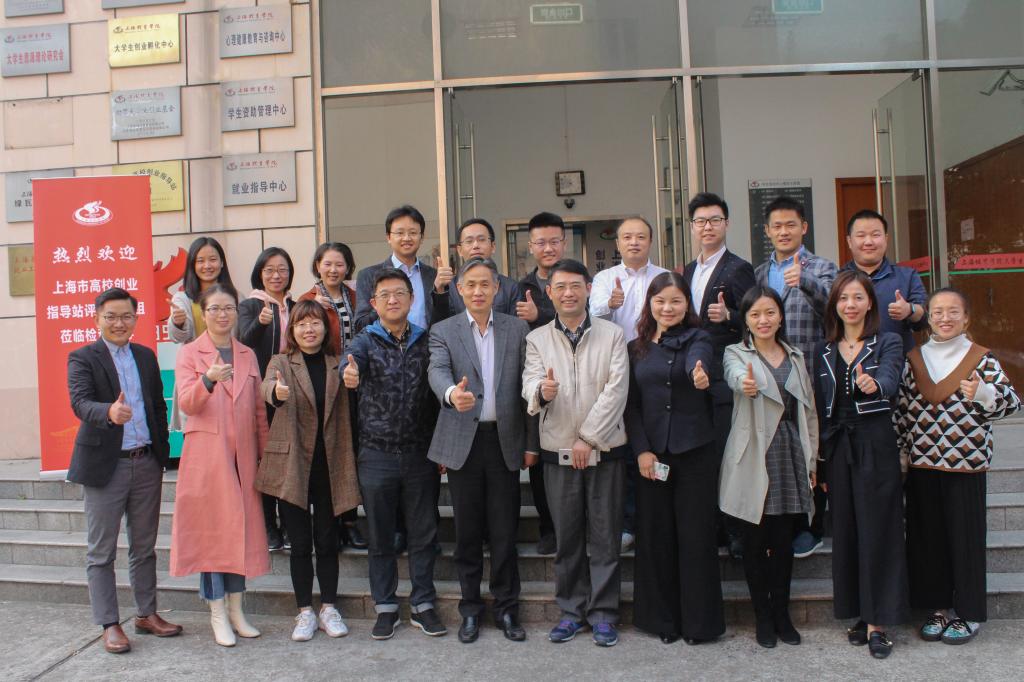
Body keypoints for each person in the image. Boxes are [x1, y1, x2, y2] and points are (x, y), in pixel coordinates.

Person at [896, 288, 1021, 645]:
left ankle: (969, 613)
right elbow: (902, 411)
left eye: (953, 311)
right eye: (937, 312)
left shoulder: (980, 358)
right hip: (922, 464)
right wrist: (900, 453)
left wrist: (983, 394)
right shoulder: (915, 359)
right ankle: (937, 608)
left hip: (966, 465)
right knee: (928, 540)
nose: (945, 318)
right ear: (929, 318)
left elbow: (1011, 402)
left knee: (965, 540)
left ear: (966, 319)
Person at [67, 288, 182, 654]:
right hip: (106, 466)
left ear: (135, 319)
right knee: (101, 551)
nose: (119, 323)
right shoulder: (83, 357)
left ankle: (147, 614)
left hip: (145, 462)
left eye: (126, 316)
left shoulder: (145, 356)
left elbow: (157, 406)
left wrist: (161, 453)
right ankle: (109, 623)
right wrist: (108, 412)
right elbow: (80, 402)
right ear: (97, 319)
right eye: (111, 317)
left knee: (144, 547)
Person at [522, 259, 630, 647]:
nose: (568, 293)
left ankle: (603, 615)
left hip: (605, 451)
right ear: (549, 293)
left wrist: (588, 437)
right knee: (567, 539)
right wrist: (542, 391)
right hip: (558, 452)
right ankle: (571, 612)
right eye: (560, 287)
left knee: (605, 537)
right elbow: (529, 384)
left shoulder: (613, 334)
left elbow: (617, 390)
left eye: (575, 286)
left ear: (588, 289)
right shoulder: (537, 339)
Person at [427, 257, 532, 643]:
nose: (478, 291)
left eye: (485, 284)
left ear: (497, 288)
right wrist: (451, 393)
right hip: (463, 444)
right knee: (468, 534)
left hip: (504, 440)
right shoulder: (444, 330)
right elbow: (436, 371)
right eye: (470, 284)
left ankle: (507, 609)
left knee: (504, 533)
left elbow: (527, 384)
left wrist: (531, 444)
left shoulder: (517, 328)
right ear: (459, 289)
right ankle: (470, 610)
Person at [342, 268, 446, 640]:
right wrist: (348, 375)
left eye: (399, 293)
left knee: (423, 534)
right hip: (377, 455)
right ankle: (385, 606)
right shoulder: (365, 341)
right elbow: (348, 365)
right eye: (384, 294)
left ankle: (423, 604)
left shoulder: (426, 341)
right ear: (373, 303)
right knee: (381, 536)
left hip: (420, 454)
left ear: (411, 298)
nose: (392, 300)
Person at [625, 272, 724, 645]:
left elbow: (699, 361)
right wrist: (641, 450)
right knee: (656, 538)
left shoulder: (700, 338)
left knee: (696, 538)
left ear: (687, 304)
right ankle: (662, 621)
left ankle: (699, 625)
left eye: (676, 301)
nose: (668, 308)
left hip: (695, 452)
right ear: (650, 304)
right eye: (661, 301)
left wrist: (699, 374)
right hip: (652, 456)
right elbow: (631, 406)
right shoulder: (635, 348)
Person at [814, 269, 908, 659]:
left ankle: (878, 622)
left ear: (870, 302)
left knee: (878, 530)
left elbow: (890, 378)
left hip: (874, 442)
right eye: (843, 298)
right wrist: (820, 461)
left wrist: (875, 384)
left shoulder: (887, 341)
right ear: (834, 305)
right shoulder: (822, 350)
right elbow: (819, 406)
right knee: (847, 530)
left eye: (857, 297)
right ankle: (860, 611)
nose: (850, 305)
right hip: (838, 447)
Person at [255, 300, 361, 642]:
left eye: (315, 322)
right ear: (293, 330)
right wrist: (276, 392)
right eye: (301, 324)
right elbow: (266, 388)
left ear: (325, 328)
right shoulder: (281, 362)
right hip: (293, 465)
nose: (309, 329)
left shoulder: (338, 363)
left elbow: (354, 398)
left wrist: (355, 382)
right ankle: (304, 612)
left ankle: (329, 607)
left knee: (327, 541)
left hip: (330, 465)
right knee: (299, 543)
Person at [171, 283, 269, 647]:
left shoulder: (247, 354)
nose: (222, 315)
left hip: (243, 458)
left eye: (229, 308)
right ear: (204, 313)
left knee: (239, 533)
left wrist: (265, 454)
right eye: (214, 309)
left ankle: (237, 610)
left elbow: (258, 411)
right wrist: (207, 380)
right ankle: (216, 613)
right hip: (207, 460)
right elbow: (187, 404)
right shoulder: (190, 353)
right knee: (213, 536)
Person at [719, 287, 818, 649]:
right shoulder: (735, 353)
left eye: (770, 312)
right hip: (753, 454)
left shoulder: (795, 356)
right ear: (745, 319)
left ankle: (782, 614)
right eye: (755, 314)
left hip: (789, 452)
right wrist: (745, 384)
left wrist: (812, 460)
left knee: (783, 542)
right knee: (755, 541)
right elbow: (734, 376)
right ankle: (762, 615)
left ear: (780, 316)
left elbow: (809, 412)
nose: (763, 320)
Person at [754, 195, 836, 559]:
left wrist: (806, 281)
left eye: (791, 225)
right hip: (768, 376)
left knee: (810, 447)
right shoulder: (760, 273)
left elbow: (835, 308)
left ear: (804, 227)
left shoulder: (822, 267)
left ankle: (811, 526)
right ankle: (782, 522)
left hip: (808, 373)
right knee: (779, 448)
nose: (783, 231)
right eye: (777, 226)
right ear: (767, 231)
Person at [681, 192, 756, 560]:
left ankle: (736, 532)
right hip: (695, 375)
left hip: (725, 375)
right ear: (692, 227)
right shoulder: (687, 271)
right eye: (700, 221)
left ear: (726, 224)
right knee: (705, 456)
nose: (707, 227)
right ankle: (712, 528)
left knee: (729, 453)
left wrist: (729, 317)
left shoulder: (738, 269)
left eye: (714, 220)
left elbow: (756, 317)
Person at [589, 216, 668, 553]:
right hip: (615, 365)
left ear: (650, 241)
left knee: (652, 436)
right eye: (627, 237)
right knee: (620, 442)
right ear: (618, 243)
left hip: (654, 363)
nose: (634, 242)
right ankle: (625, 521)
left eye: (640, 236)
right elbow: (590, 316)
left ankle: (652, 520)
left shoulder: (663, 277)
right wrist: (610, 304)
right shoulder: (605, 278)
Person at [297, 241, 366, 550]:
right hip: (325, 382)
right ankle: (330, 522)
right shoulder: (308, 300)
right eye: (327, 264)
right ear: (317, 266)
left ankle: (349, 520)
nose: (333, 269)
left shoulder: (356, 296)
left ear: (348, 267)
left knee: (350, 450)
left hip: (355, 382)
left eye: (340, 264)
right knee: (329, 451)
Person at [237, 246, 295, 552]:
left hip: (291, 393)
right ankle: (269, 526)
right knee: (266, 461)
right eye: (269, 270)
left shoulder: (295, 305)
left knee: (288, 461)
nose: (276, 275)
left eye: (282, 269)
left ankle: (289, 524)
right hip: (260, 394)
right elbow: (242, 342)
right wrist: (260, 322)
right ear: (260, 273)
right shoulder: (250, 305)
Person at [515, 211, 565, 557]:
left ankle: (579, 526)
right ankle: (549, 528)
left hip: (578, 381)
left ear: (564, 242)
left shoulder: (580, 279)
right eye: (541, 242)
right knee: (540, 458)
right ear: (531, 246)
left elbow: (582, 317)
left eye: (554, 241)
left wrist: (540, 316)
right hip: (535, 385)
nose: (548, 248)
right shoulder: (520, 288)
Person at [168, 237, 235, 432]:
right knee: (199, 432)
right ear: (192, 265)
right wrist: (178, 322)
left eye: (212, 259)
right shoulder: (182, 298)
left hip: (229, 372)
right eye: (200, 260)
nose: (207, 266)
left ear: (222, 263)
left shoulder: (236, 296)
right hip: (196, 377)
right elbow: (178, 337)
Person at [842, 209, 927, 354]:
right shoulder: (837, 279)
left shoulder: (907, 276)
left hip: (898, 361)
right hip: (851, 360)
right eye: (861, 235)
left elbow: (925, 317)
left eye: (875, 235)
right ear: (850, 241)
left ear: (886, 239)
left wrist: (909, 309)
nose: (868, 242)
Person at [353, 204, 445, 333]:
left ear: (422, 237)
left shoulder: (434, 276)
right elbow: (360, 324)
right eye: (400, 233)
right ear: (388, 237)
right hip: (384, 345)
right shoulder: (368, 275)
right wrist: (384, 302)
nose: (406, 238)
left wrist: (440, 292)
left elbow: (444, 323)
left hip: (426, 345)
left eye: (413, 233)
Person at [432, 218, 522, 321]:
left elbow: (514, 326)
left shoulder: (511, 287)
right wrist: (439, 291)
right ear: (459, 250)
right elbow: (441, 325)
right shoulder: (449, 288)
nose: (475, 245)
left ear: (493, 246)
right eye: (469, 241)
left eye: (481, 239)